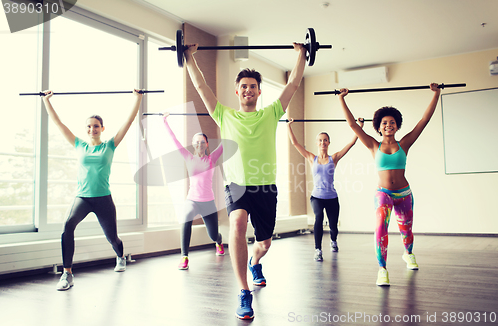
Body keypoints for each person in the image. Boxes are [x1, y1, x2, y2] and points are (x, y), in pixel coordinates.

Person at [183, 42, 306, 319]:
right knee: (237, 223)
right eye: (244, 86)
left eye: (253, 86)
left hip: (265, 187)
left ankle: (255, 261)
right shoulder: (224, 114)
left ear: (259, 92)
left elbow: (294, 83)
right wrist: (190, 58)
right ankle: (243, 291)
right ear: (237, 91)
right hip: (236, 185)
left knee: (264, 243)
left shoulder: (271, 113)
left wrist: (301, 54)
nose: (248, 90)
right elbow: (202, 88)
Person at [337, 83, 441, 286]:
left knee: (407, 231)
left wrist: (436, 94)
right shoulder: (373, 145)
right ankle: (382, 269)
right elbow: (352, 125)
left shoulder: (405, 143)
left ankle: (408, 254)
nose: (388, 125)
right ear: (378, 126)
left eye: (392, 122)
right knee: (380, 229)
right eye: (384, 122)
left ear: (397, 125)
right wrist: (342, 99)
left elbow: (424, 120)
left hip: (404, 194)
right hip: (383, 193)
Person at [42, 89, 143, 291]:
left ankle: (120, 257)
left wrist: (138, 98)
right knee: (68, 226)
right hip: (83, 198)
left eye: (96, 126)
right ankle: (67, 273)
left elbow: (129, 122)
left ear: (102, 128)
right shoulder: (78, 144)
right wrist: (47, 101)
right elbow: (58, 123)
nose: (92, 129)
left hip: (103, 198)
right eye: (89, 126)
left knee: (112, 238)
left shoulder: (110, 146)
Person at [287, 117, 363, 261]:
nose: (323, 142)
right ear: (317, 143)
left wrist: (360, 126)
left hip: (331, 197)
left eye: (325, 140)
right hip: (316, 197)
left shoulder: (334, 158)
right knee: (319, 218)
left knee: (333, 226)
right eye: (320, 140)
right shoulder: (311, 158)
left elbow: (351, 143)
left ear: (328, 143)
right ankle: (318, 250)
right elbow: (295, 143)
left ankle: (333, 241)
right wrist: (289, 126)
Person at [161, 112, 225, 270]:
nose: (199, 144)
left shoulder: (212, 158)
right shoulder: (188, 157)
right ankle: (184, 256)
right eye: (196, 142)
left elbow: (226, 142)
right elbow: (174, 140)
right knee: (186, 216)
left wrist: (228, 122)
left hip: (208, 202)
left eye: (202, 142)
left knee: (213, 234)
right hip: (193, 200)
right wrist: (165, 121)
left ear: (207, 144)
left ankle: (219, 241)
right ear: (193, 144)